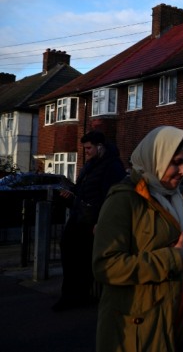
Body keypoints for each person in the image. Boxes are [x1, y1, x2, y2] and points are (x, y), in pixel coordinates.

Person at [92, 126, 183, 352]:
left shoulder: (177, 199)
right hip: (136, 331)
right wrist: (170, 260)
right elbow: (105, 265)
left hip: (175, 324)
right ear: (156, 159)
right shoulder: (123, 200)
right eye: (176, 162)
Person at [52, 130, 126, 311]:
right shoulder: (90, 165)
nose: (86, 152)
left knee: (83, 259)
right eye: (85, 148)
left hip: (92, 221)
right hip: (80, 217)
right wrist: (70, 196)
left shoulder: (113, 166)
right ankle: (71, 295)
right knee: (71, 254)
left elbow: (110, 197)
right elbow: (83, 191)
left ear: (100, 147)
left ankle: (75, 297)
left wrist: (100, 222)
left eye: (89, 148)